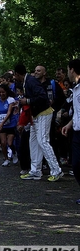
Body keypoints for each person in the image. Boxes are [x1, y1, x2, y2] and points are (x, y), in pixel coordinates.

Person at [15, 64, 63, 181]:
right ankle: (35, 170)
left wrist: (27, 100)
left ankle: (56, 170)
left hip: (43, 113)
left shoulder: (30, 82)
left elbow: (43, 97)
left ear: (17, 74)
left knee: (42, 141)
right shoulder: (29, 81)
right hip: (36, 115)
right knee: (34, 142)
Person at [62, 59, 80, 204]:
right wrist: (69, 124)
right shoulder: (75, 88)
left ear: (72, 69)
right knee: (76, 164)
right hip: (76, 131)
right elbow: (77, 112)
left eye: (68, 69)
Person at [0, 84, 18, 166]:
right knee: (3, 143)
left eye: (3, 92)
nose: (1, 94)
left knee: (10, 143)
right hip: (1, 125)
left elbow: (9, 112)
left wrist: (2, 123)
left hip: (10, 124)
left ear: (6, 92)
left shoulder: (11, 100)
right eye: (0, 92)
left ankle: (14, 153)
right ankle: (6, 158)